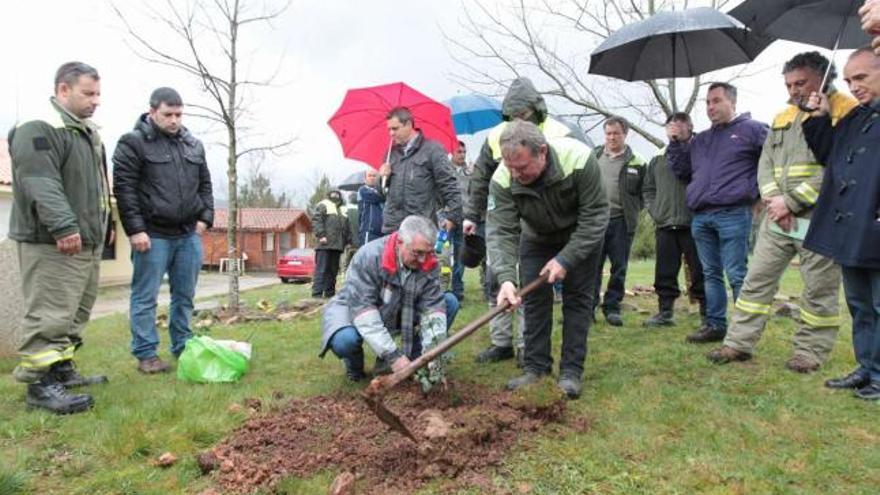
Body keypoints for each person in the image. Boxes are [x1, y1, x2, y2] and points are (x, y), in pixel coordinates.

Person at [707, 52, 857, 372]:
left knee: (819, 289)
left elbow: (843, 166)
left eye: (800, 83)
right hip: (777, 219)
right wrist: (776, 201)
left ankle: (809, 352)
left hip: (821, 219)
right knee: (755, 282)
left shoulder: (845, 109)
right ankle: (738, 343)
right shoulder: (781, 116)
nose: (793, 90)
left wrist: (791, 202)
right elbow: (766, 164)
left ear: (824, 77)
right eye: (789, 84)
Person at [8, 61, 111, 414]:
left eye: (98, 93)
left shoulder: (84, 131)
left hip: (87, 239)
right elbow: (40, 182)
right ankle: (39, 386)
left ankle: (61, 371)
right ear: (63, 89)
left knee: (73, 312)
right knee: (51, 311)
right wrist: (65, 226)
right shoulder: (39, 125)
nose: (96, 100)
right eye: (88, 93)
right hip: (52, 240)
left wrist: (101, 224)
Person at [462, 77, 584, 363]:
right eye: (513, 115)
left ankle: (526, 346)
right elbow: (481, 176)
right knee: (500, 278)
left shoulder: (559, 133)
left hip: (543, 220)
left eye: (524, 115)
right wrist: (472, 213)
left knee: (532, 284)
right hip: (504, 212)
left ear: (536, 110)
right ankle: (501, 341)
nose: (518, 120)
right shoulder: (496, 136)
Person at [489, 121, 608, 399]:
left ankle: (570, 373)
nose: (516, 175)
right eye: (511, 168)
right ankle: (535, 368)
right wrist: (506, 279)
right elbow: (501, 231)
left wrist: (566, 259)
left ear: (542, 151)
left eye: (522, 167)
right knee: (534, 302)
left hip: (581, 236)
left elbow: (596, 216)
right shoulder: (503, 178)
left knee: (578, 301)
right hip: (536, 239)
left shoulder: (578, 159)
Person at [113, 87, 214, 374]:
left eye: (179, 114)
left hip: (187, 235)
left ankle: (183, 345)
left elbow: (205, 185)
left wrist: (205, 218)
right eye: (168, 114)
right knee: (145, 296)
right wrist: (135, 229)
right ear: (152, 111)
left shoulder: (193, 144)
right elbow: (125, 190)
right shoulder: (132, 143)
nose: (174, 120)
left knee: (185, 295)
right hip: (152, 235)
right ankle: (146, 354)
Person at [802, 46, 880, 400]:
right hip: (853, 228)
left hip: (875, 225)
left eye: (861, 77)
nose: (853, 86)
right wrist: (819, 117)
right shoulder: (856, 116)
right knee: (861, 305)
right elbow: (830, 156)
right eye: (848, 80)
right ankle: (868, 368)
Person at [667, 82, 769, 344]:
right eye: (708, 103)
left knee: (736, 273)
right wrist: (676, 142)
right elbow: (682, 172)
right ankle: (715, 325)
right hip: (701, 216)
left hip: (733, 212)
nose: (711, 107)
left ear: (732, 102)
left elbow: (772, 160)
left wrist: (761, 193)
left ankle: (745, 331)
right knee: (710, 274)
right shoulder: (701, 139)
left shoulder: (753, 130)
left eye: (716, 101)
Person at [319, 215, 460, 383]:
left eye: (428, 253)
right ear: (400, 243)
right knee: (345, 340)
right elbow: (365, 313)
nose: (423, 260)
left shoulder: (429, 261)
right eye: (418, 253)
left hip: (400, 306)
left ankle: (416, 361)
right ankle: (355, 366)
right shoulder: (368, 256)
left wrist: (434, 357)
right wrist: (393, 357)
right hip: (355, 305)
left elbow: (433, 309)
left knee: (449, 302)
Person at [642, 113, 706, 327]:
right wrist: (655, 211)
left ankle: (707, 315)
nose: (674, 130)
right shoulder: (658, 158)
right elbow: (648, 189)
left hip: (694, 222)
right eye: (670, 126)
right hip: (665, 223)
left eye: (678, 126)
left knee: (700, 271)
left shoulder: (701, 152)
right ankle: (665, 313)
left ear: (690, 127)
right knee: (664, 272)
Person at [591, 116, 646, 326]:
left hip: (621, 222)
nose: (612, 137)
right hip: (595, 221)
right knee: (592, 267)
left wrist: (632, 211)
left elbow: (645, 192)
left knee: (619, 268)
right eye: (608, 133)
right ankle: (588, 308)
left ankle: (612, 308)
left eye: (616, 133)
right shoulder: (594, 156)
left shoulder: (637, 161)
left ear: (625, 134)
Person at [378, 107, 462, 235]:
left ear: (408, 124)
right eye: (389, 129)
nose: (391, 133)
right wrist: (382, 178)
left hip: (421, 230)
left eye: (395, 128)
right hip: (393, 229)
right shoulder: (390, 155)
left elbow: (450, 186)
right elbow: (382, 194)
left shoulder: (433, 150)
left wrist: (453, 217)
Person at [310, 190, 348, 298]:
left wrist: (347, 241)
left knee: (333, 271)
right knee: (321, 270)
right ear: (329, 195)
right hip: (324, 244)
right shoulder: (323, 205)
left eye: (337, 194)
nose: (335, 196)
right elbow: (317, 220)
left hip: (337, 246)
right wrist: (321, 235)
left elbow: (346, 227)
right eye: (333, 194)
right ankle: (317, 293)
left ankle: (330, 294)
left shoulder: (343, 209)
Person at [445, 140, 470, 301]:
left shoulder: (471, 172)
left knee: (461, 258)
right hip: (446, 219)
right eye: (458, 152)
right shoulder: (445, 171)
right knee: (444, 256)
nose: (462, 155)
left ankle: (457, 291)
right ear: (451, 153)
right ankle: (441, 290)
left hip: (464, 220)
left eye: (464, 152)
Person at [357, 168, 384, 245]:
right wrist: (385, 193)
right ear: (365, 179)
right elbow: (376, 197)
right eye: (370, 176)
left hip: (381, 231)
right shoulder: (362, 190)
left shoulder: (380, 191)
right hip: (368, 231)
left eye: (374, 176)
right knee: (367, 255)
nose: (372, 178)